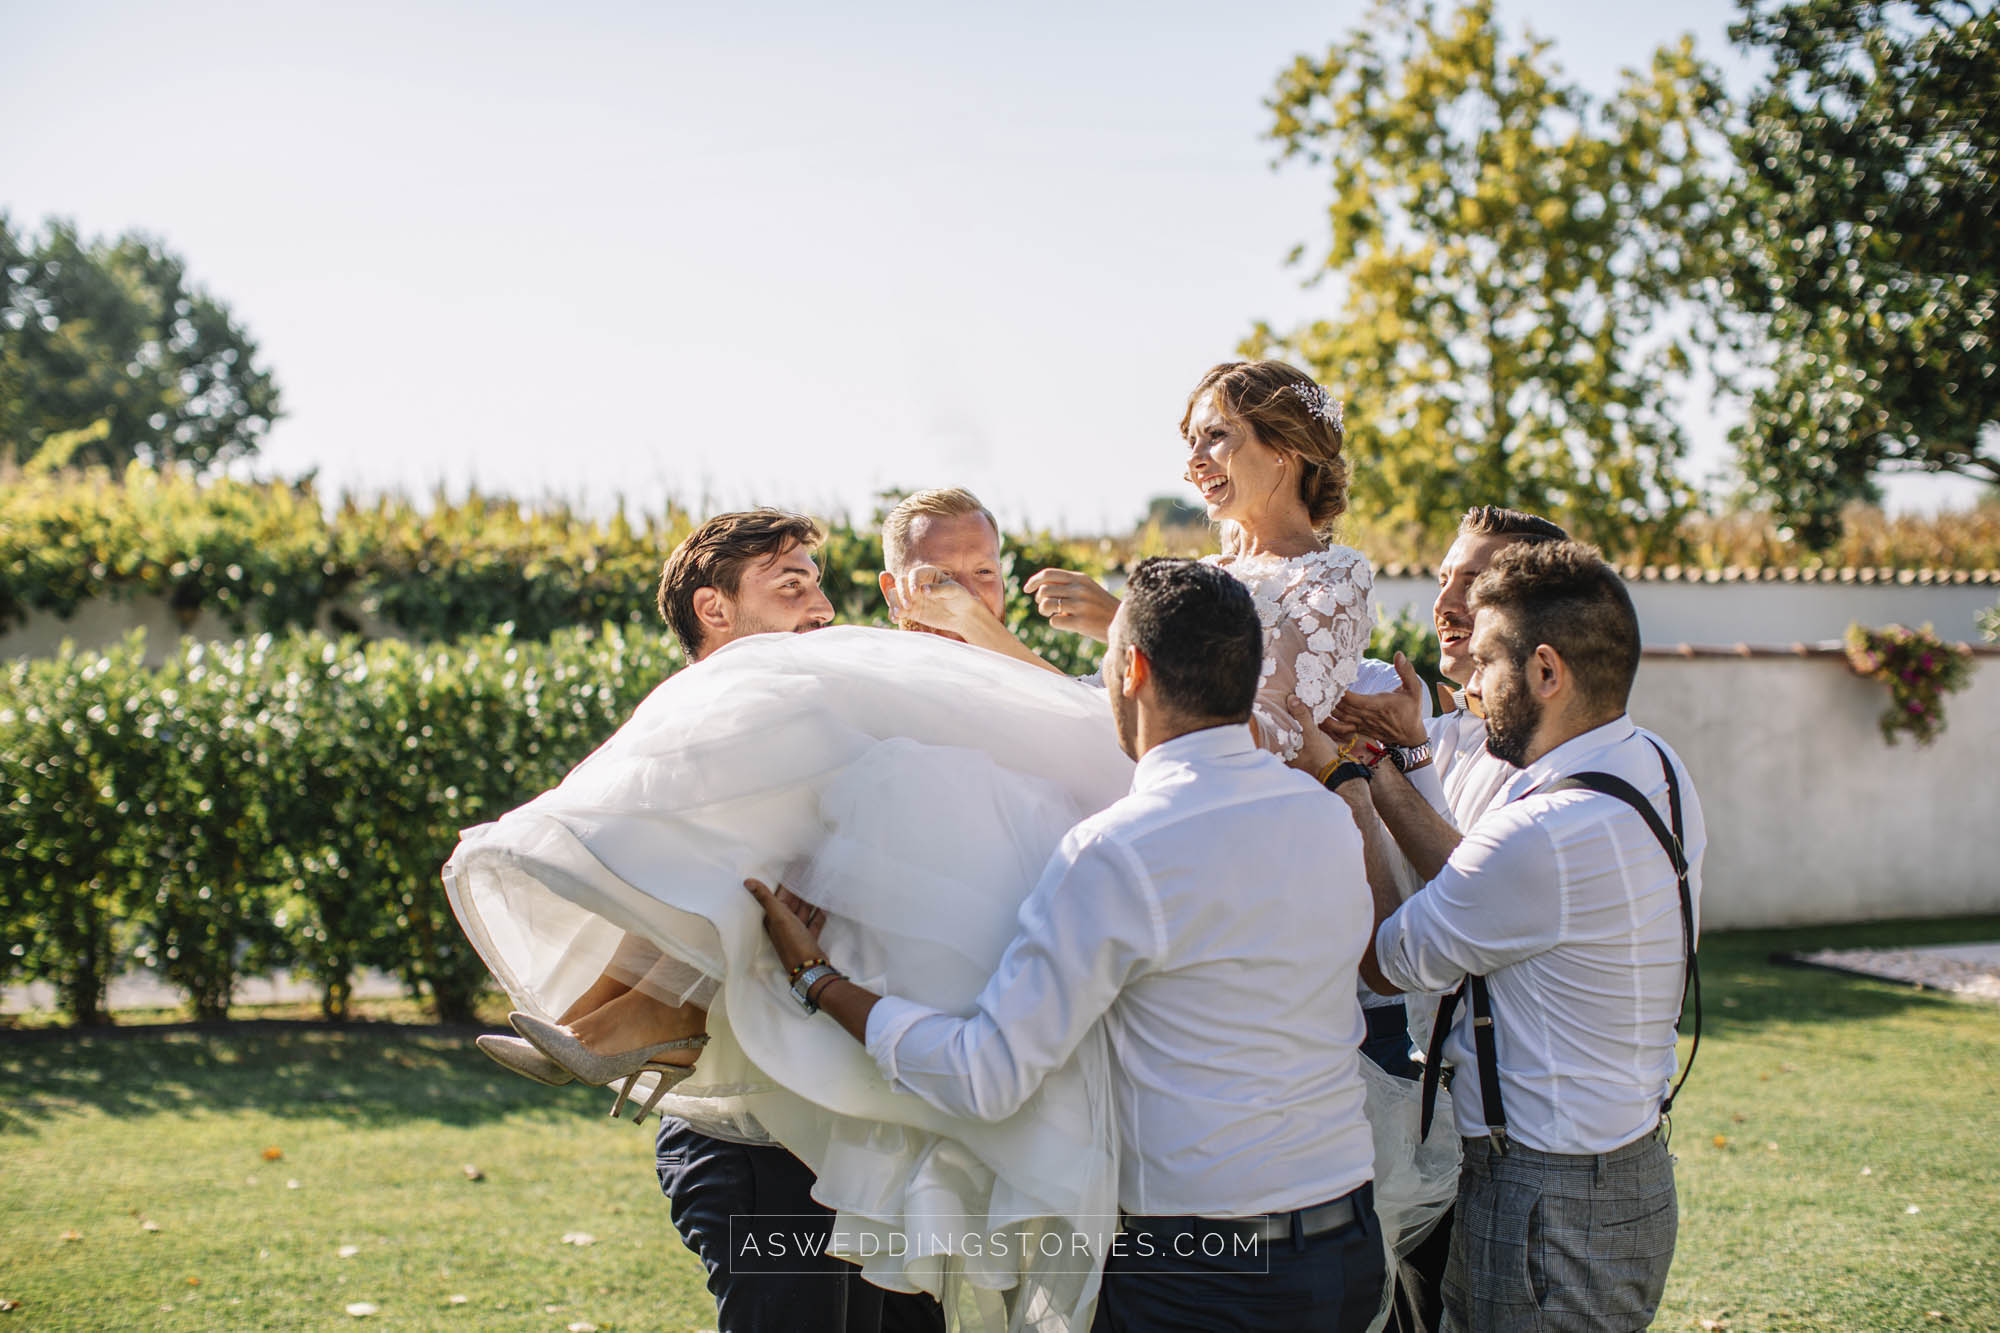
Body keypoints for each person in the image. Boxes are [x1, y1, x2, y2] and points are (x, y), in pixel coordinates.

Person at [747, 558, 1387, 1333]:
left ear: (1133, 668)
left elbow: (986, 1074)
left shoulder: (1118, 850)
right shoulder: (1323, 817)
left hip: (1204, 1270)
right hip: (1347, 1237)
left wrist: (818, 978)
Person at [1323, 540, 1706, 1332]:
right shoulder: (1655, 766)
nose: (1470, 685)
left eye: (1487, 664)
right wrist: (1390, 764)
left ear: (1544, 671)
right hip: (1629, 1172)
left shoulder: (1542, 833)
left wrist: (1347, 784)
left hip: (1544, 1204)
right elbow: (1484, 884)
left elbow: (1389, 958)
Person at [1316, 504, 1569, 1333]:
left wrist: (1391, 764)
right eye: (1444, 575)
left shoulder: (1537, 757)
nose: (1448, 599)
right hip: (1401, 1079)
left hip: (1495, 1120)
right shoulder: (1444, 725)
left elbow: (1466, 891)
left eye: (1477, 580)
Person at [1025, 360, 1373, 762]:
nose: (1194, 459)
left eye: (1216, 436)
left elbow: (1281, 737)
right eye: (1191, 442)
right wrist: (974, 626)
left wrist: (1126, 627)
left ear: (1284, 448)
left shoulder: (1334, 577)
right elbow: (1091, 703)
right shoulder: (1206, 575)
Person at [876, 487, 1063, 675]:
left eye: (984, 571)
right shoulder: (864, 690)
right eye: (942, 575)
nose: (965, 596)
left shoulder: (1045, 694)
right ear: (889, 589)